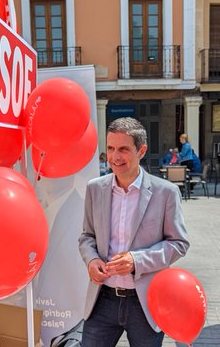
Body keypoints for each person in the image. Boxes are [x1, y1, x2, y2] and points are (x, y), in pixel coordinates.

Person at [78, 117, 189, 346]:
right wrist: (91, 261)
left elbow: (178, 243)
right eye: (110, 148)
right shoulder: (95, 189)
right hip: (103, 300)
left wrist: (137, 260)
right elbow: (87, 236)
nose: (115, 157)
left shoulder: (165, 193)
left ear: (142, 150)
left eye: (123, 149)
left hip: (146, 303)